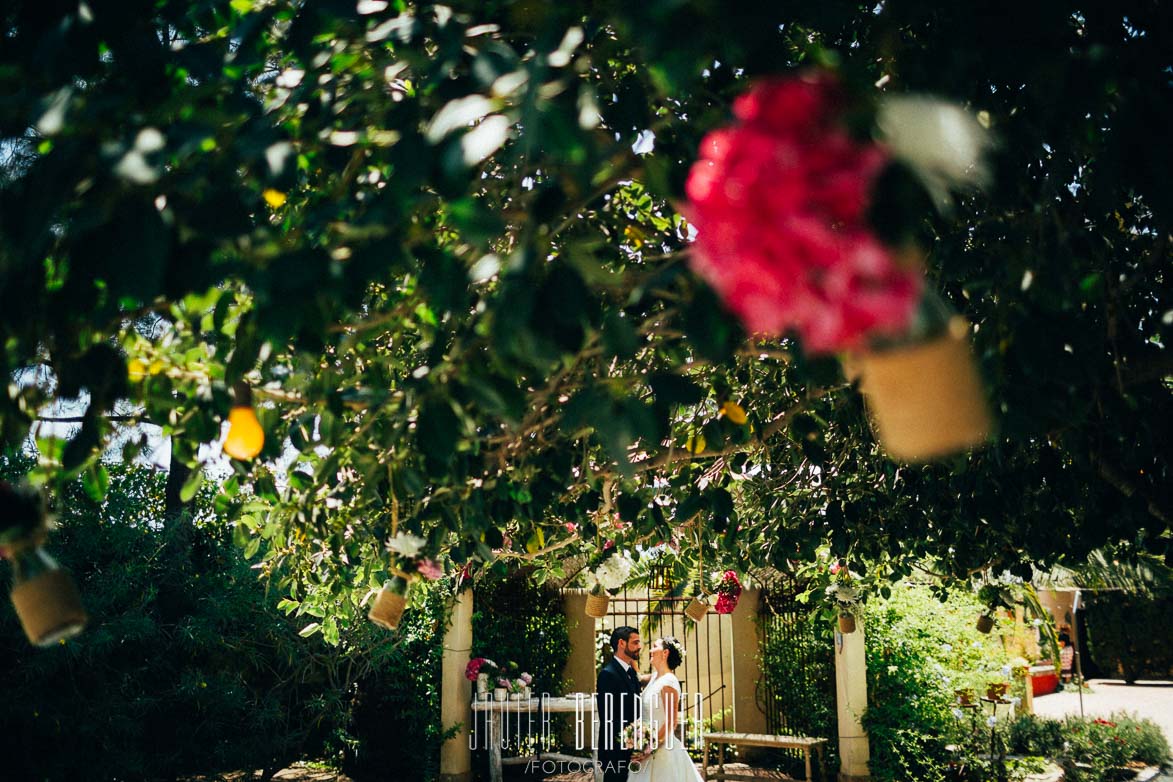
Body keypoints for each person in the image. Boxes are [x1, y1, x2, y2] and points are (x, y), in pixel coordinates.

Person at [627, 637, 703, 782]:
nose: (650, 650)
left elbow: (671, 722)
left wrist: (648, 749)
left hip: (662, 754)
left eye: (654, 646)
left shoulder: (669, 682)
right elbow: (637, 678)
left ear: (665, 653)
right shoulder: (655, 677)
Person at [597, 626, 644, 782]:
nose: (639, 646)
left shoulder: (630, 672)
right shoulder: (608, 674)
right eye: (635, 642)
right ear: (622, 643)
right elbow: (609, 719)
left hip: (632, 751)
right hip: (615, 752)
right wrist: (631, 742)